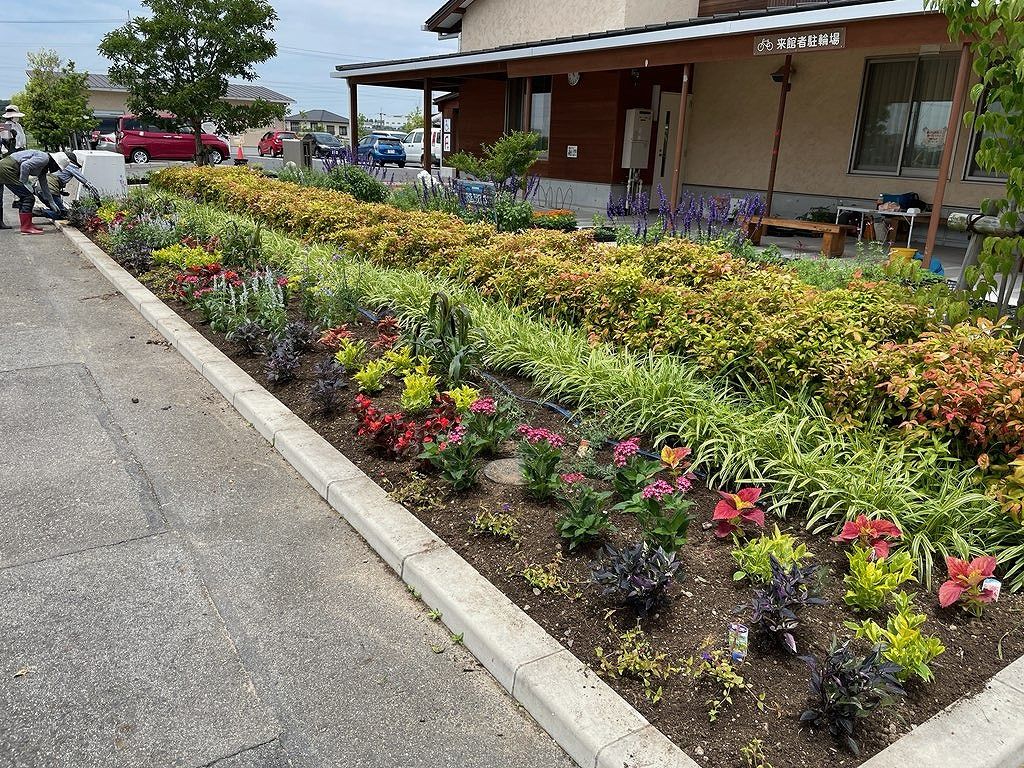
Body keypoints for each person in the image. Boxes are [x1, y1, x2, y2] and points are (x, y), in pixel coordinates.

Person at [0, 149, 57, 235]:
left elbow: (44, 185)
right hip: (8, 169)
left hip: (3, 166)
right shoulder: (44, 158)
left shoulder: (43, 165)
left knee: (24, 197)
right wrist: (25, 182)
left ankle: (27, 225)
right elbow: (25, 165)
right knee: (28, 197)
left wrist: (51, 201)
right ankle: (26, 227)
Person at [35, 151, 98, 220]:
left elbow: (55, 178)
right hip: (49, 189)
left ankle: (35, 211)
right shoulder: (71, 165)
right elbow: (82, 179)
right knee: (62, 214)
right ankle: (35, 211)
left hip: (39, 188)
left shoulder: (56, 164)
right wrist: (93, 191)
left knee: (56, 209)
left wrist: (61, 192)